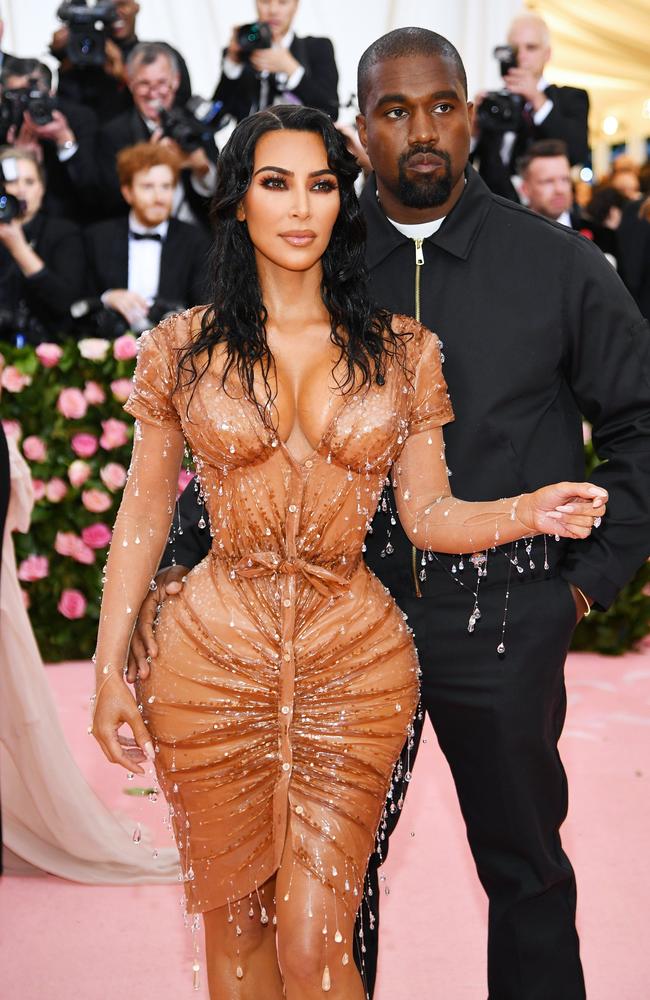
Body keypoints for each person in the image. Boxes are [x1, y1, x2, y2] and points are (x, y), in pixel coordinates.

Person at [134, 30, 650, 1000]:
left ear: (468, 113)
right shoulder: (313, 262)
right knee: (323, 885)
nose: (421, 129)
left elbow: (639, 425)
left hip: (500, 619)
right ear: (357, 129)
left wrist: (581, 589)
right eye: (393, 109)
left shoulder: (561, 269)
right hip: (335, 630)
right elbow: (230, 426)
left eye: (440, 105)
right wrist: (180, 566)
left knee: (524, 868)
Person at [84, 143, 211, 334]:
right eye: (148, 187)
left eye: (166, 187)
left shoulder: (195, 239)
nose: (159, 197)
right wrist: (107, 297)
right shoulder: (98, 237)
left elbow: (206, 309)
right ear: (127, 193)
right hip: (109, 349)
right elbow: (73, 300)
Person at [96, 43, 218, 228]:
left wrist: (201, 168)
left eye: (161, 83)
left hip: (201, 236)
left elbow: (223, 197)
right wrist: (149, 162)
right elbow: (109, 205)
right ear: (130, 83)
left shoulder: (195, 123)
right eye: (144, 84)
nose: (153, 93)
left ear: (175, 81)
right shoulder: (113, 135)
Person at [473, 11, 589, 202]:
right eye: (514, 49)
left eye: (531, 47)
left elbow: (576, 153)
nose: (522, 56)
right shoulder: (494, 104)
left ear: (547, 54)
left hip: (549, 216)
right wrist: (472, 129)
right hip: (493, 211)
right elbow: (466, 163)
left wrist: (537, 100)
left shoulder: (571, 98)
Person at [51, 0, 191, 125]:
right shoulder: (82, 61)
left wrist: (124, 71)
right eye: (106, 7)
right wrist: (66, 58)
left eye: (122, 4)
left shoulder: (160, 56)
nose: (115, 13)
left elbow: (182, 105)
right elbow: (68, 116)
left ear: (136, 7)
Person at [0, 148, 85, 343]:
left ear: (42, 188)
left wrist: (19, 249)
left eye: (29, 182)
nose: (21, 190)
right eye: (12, 181)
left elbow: (65, 302)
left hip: (48, 347)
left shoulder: (63, 233)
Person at [0, 57, 98, 224]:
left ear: (51, 92)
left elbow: (93, 191)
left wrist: (65, 142)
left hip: (69, 219)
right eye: (17, 96)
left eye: (33, 95)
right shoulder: (5, 123)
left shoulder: (78, 118)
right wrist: (15, 156)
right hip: (13, 219)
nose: (26, 103)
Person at [214, 0, 339, 121]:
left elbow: (331, 111)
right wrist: (233, 63)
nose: (273, 11)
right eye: (265, 1)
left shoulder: (317, 48)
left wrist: (292, 71)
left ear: (295, 5)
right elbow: (215, 116)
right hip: (249, 140)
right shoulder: (242, 52)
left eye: (283, 2)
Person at [517, 138, 577, 226]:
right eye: (548, 181)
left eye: (565, 179)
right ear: (525, 189)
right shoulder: (510, 233)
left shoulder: (597, 236)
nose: (559, 190)